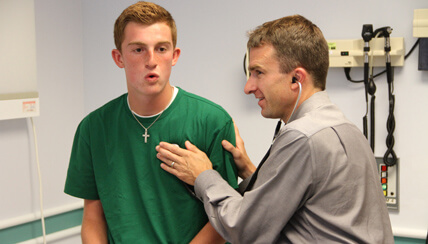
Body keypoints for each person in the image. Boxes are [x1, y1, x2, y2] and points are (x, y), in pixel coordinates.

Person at [156, 15, 394, 243]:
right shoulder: (344, 128)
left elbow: (243, 230)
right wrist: (251, 172)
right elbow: (307, 203)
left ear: (296, 79)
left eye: (258, 72)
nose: (248, 87)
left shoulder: (303, 137)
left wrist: (203, 175)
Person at [64, 2, 238, 243]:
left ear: (174, 55)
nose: (151, 60)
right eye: (138, 49)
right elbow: (93, 217)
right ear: (119, 57)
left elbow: (224, 218)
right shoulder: (93, 129)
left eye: (161, 48)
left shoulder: (213, 121)